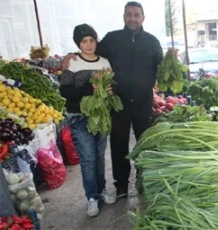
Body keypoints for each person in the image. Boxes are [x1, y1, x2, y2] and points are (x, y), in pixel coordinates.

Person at [63, 1, 163, 198]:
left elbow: (160, 66)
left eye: (136, 14)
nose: (132, 18)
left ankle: (144, 180)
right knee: (119, 144)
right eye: (129, 14)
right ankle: (122, 186)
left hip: (143, 102)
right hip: (118, 101)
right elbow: (90, 51)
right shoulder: (112, 39)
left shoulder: (152, 42)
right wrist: (71, 55)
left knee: (144, 142)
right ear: (124, 16)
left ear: (143, 17)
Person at [59, 23, 116, 217]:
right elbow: (65, 92)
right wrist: (88, 89)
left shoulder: (105, 62)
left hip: (100, 116)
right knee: (88, 159)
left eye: (92, 40)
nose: (89, 44)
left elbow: (111, 88)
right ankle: (91, 197)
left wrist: (110, 91)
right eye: (84, 41)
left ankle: (101, 190)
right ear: (78, 43)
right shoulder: (72, 62)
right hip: (79, 118)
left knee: (99, 158)